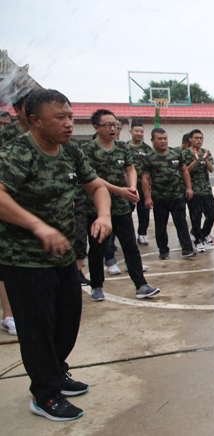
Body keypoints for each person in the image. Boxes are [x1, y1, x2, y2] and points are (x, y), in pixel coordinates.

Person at [0, 89, 112, 421]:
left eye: (70, 115)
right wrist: (38, 226)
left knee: (66, 321)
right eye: (59, 117)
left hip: (62, 255)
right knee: (37, 328)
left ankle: (55, 371)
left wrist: (104, 215)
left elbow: (97, 186)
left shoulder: (70, 152)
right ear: (34, 121)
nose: (68, 123)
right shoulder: (17, 153)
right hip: (24, 259)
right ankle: (45, 394)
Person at [82, 110, 160, 301]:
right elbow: (92, 177)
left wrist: (132, 188)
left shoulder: (121, 147)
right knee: (97, 247)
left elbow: (130, 168)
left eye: (115, 125)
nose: (112, 129)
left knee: (130, 246)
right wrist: (119, 190)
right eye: (107, 125)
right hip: (97, 208)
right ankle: (97, 286)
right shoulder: (87, 149)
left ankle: (141, 285)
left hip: (121, 207)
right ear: (96, 127)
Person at [0, 87, 33, 337]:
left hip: (37, 208)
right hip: (9, 207)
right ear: (18, 110)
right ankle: (9, 314)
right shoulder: (7, 136)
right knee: (7, 261)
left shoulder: (44, 135)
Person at [141, 128, 196, 259]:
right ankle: (163, 250)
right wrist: (147, 198)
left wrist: (189, 188)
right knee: (160, 226)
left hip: (177, 196)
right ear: (152, 140)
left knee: (181, 223)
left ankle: (187, 249)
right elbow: (145, 178)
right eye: (159, 139)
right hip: (159, 198)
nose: (163, 141)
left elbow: (184, 171)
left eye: (165, 138)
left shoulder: (176, 154)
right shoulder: (149, 157)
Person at [182, 129, 214, 252]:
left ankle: (204, 234)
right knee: (195, 216)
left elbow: (211, 169)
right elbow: (184, 171)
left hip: (206, 190)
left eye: (201, 138)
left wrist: (205, 159)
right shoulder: (185, 154)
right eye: (196, 138)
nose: (199, 140)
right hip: (193, 191)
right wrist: (195, 160)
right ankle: (198, 240)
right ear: (190, 139)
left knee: (212, 214)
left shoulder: (205, 152)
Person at [126, 120, 153, 245]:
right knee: (126, 210)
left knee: (143, 210)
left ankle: (142, 234)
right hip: (127, 184)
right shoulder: (124, 147)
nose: (139, 133)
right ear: (131, 131)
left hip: (143, 184)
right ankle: (128, 235)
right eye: (136, 131)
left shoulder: (147, 149)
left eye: (141, 131)